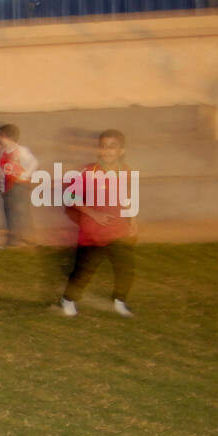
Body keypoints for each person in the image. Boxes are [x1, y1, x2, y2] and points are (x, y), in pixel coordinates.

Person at [59, 129, 137, 318]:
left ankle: (119, 301)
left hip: (118, 232)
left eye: (112, 147)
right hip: (92, 234)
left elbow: (128, 197)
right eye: (103, 146)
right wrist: (93, 214)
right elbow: (69, 196)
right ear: (99, 150)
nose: (108, 151)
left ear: (121, 150)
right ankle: (68, 300)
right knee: (84, 271)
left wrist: (133, 220)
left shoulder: (125, 171)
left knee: (125, 268)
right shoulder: (89, 171)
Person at [0, 123, 38, 247]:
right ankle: (13, 240)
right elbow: (2, 171)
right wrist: (2, 187)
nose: (0, 139)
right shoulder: (2, 152)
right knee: (9, 213)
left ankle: (28, 238)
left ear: (9, 137)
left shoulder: (21, 151)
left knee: (22, 212)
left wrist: (24, 176)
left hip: (19, 186)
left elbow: (33, 163)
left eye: (2, 137)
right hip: (8, 188)